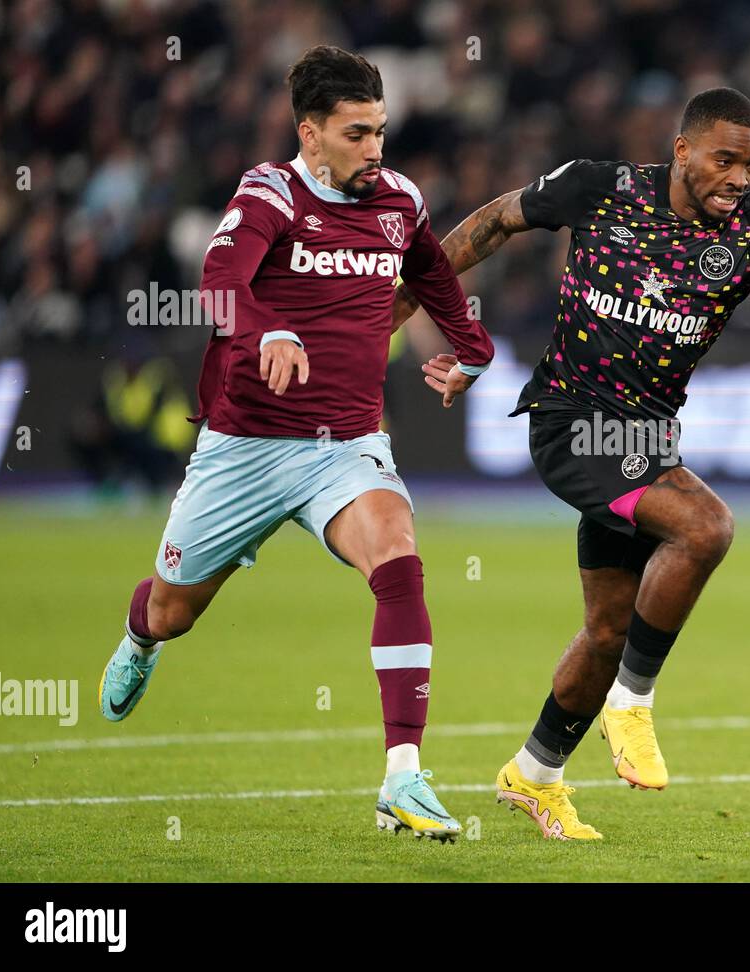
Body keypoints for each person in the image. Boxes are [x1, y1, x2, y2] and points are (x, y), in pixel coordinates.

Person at [399, 87, 750, 839]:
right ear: (681, 151)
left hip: (647, 442)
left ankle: (535, 774)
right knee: (706, 527)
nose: (739, 177)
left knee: (608, 631)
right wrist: (415, 302)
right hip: (570, 421)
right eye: (725, 159)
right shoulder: (600, 186)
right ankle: (633, 704)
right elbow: (491, 223)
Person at [96, 46, 495, 843]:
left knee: (399, 557)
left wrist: (473, 350)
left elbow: (437, 281)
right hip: (243, 447)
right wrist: (268, 325)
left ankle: (403, 777)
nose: (375, 149)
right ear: (310, 135)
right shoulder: (268, 193)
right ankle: (141, 635)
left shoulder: (399, 201)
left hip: (344, 445)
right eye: (356, 134)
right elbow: (217, 284)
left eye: (380, 131)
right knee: (175, 612)